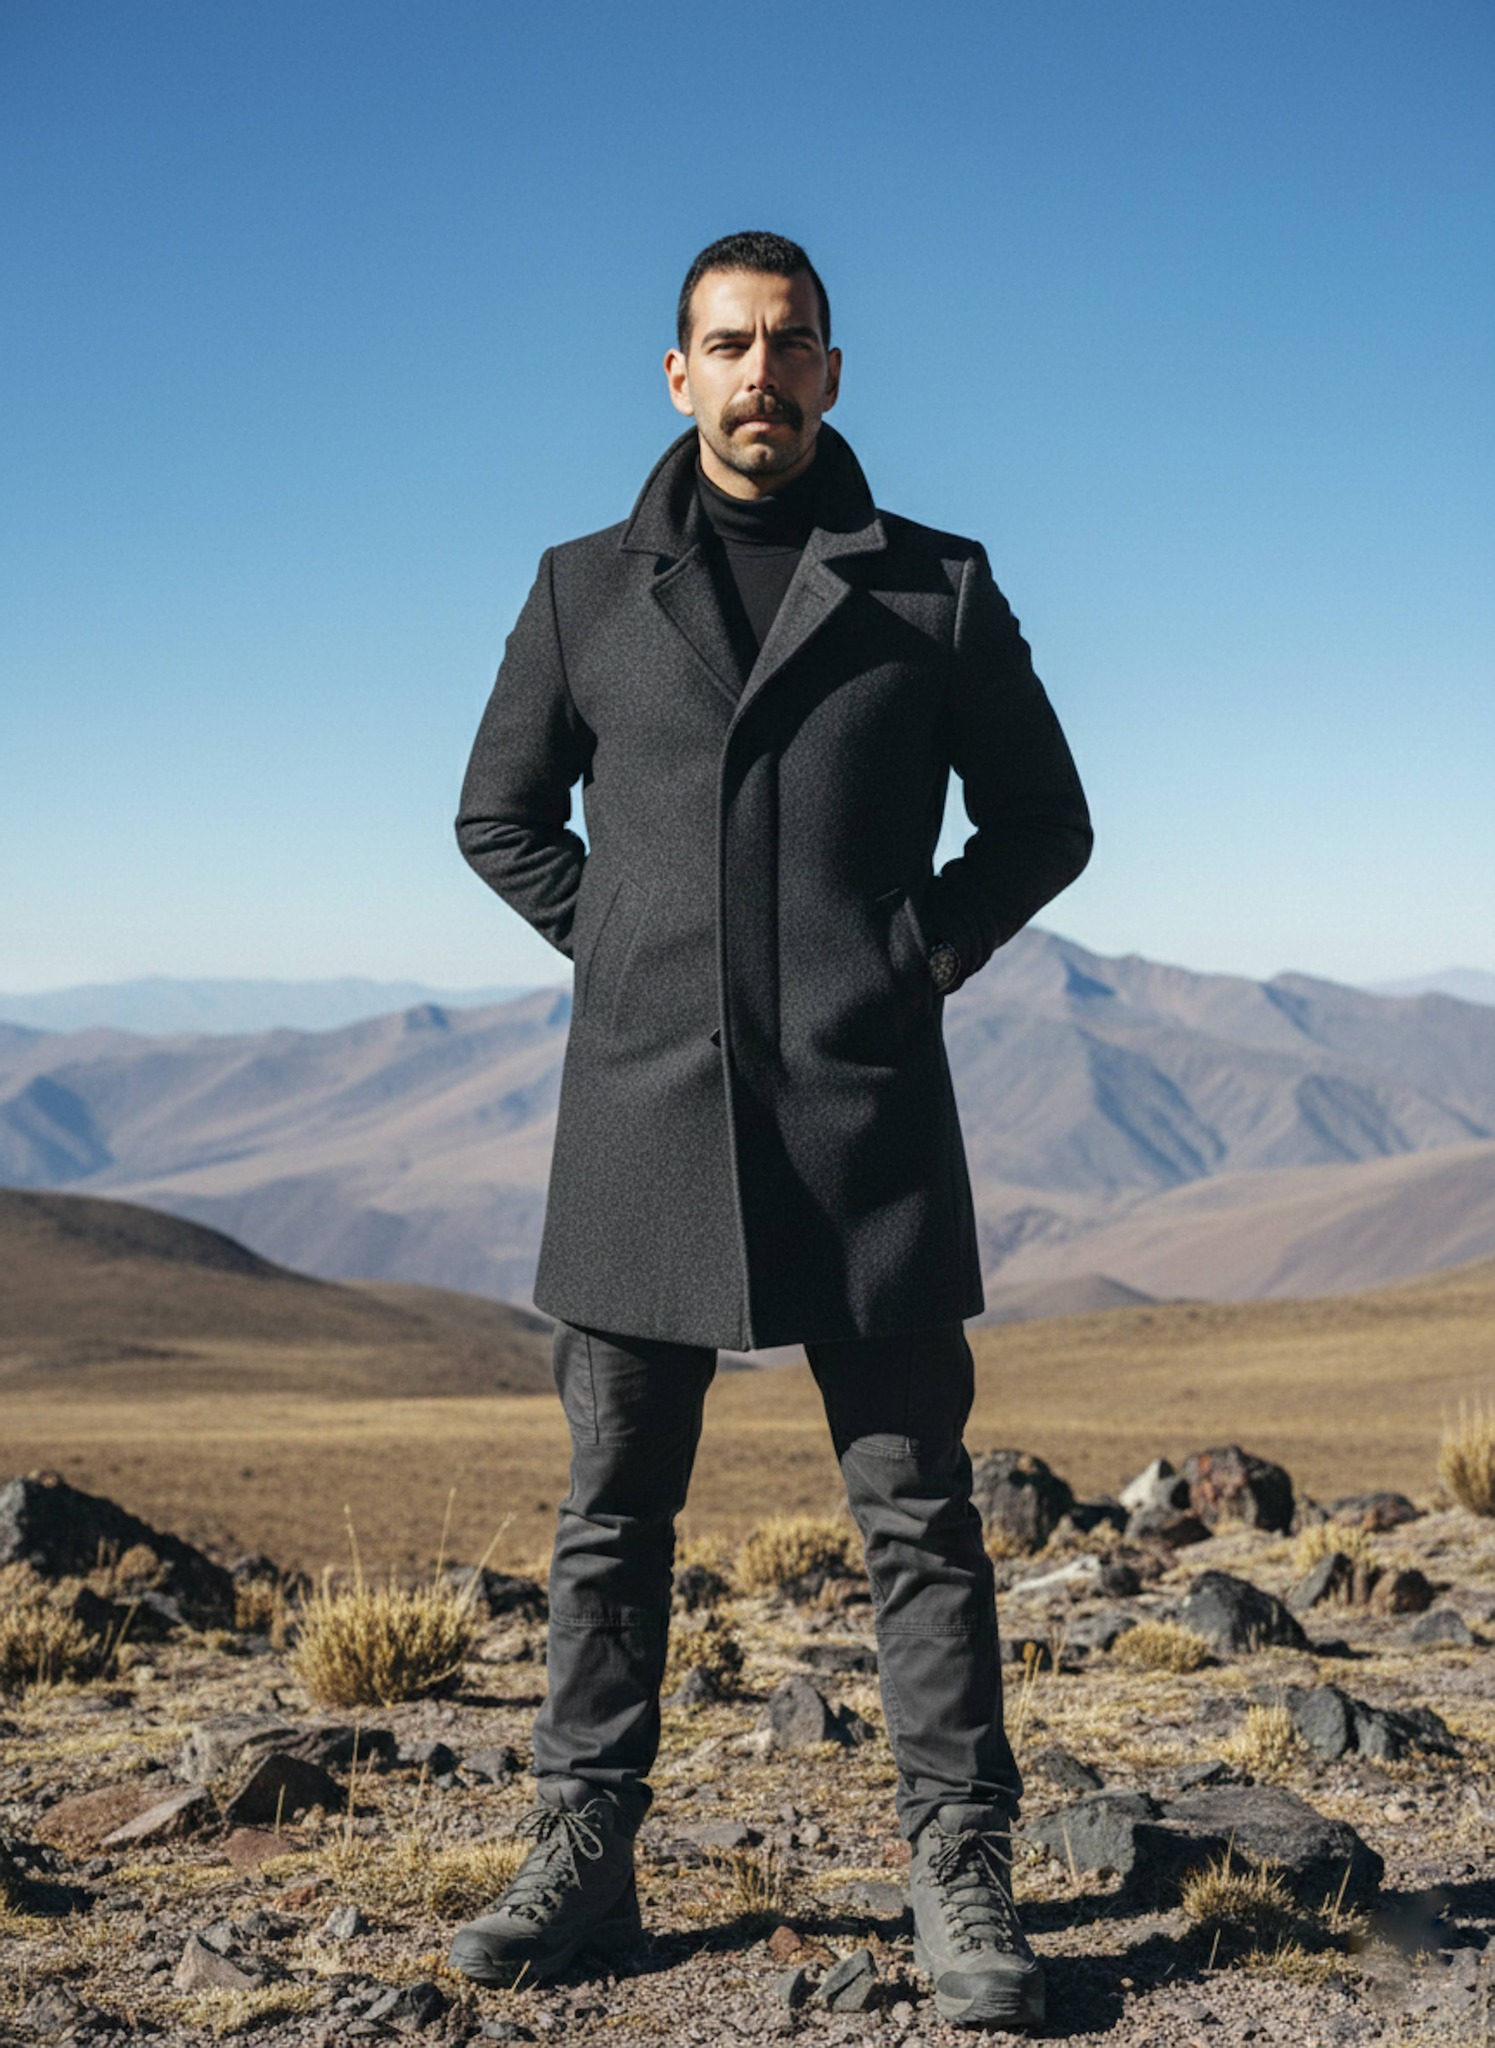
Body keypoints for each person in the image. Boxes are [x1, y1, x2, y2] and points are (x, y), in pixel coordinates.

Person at [449, 230, 1092, 2031]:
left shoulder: (931, 587)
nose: (758, 376)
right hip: (640, 1117)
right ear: (677, 376)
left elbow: (1047, 824)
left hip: (863, 1114)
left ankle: (961, 1874)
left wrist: (909, 961)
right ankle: (583, 1854)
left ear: (832, 371)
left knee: (919, 1520)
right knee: (610, 1517)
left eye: (789, 345)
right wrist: (639, 957)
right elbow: (499, 818)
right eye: (725, 347)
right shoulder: (585, 590)